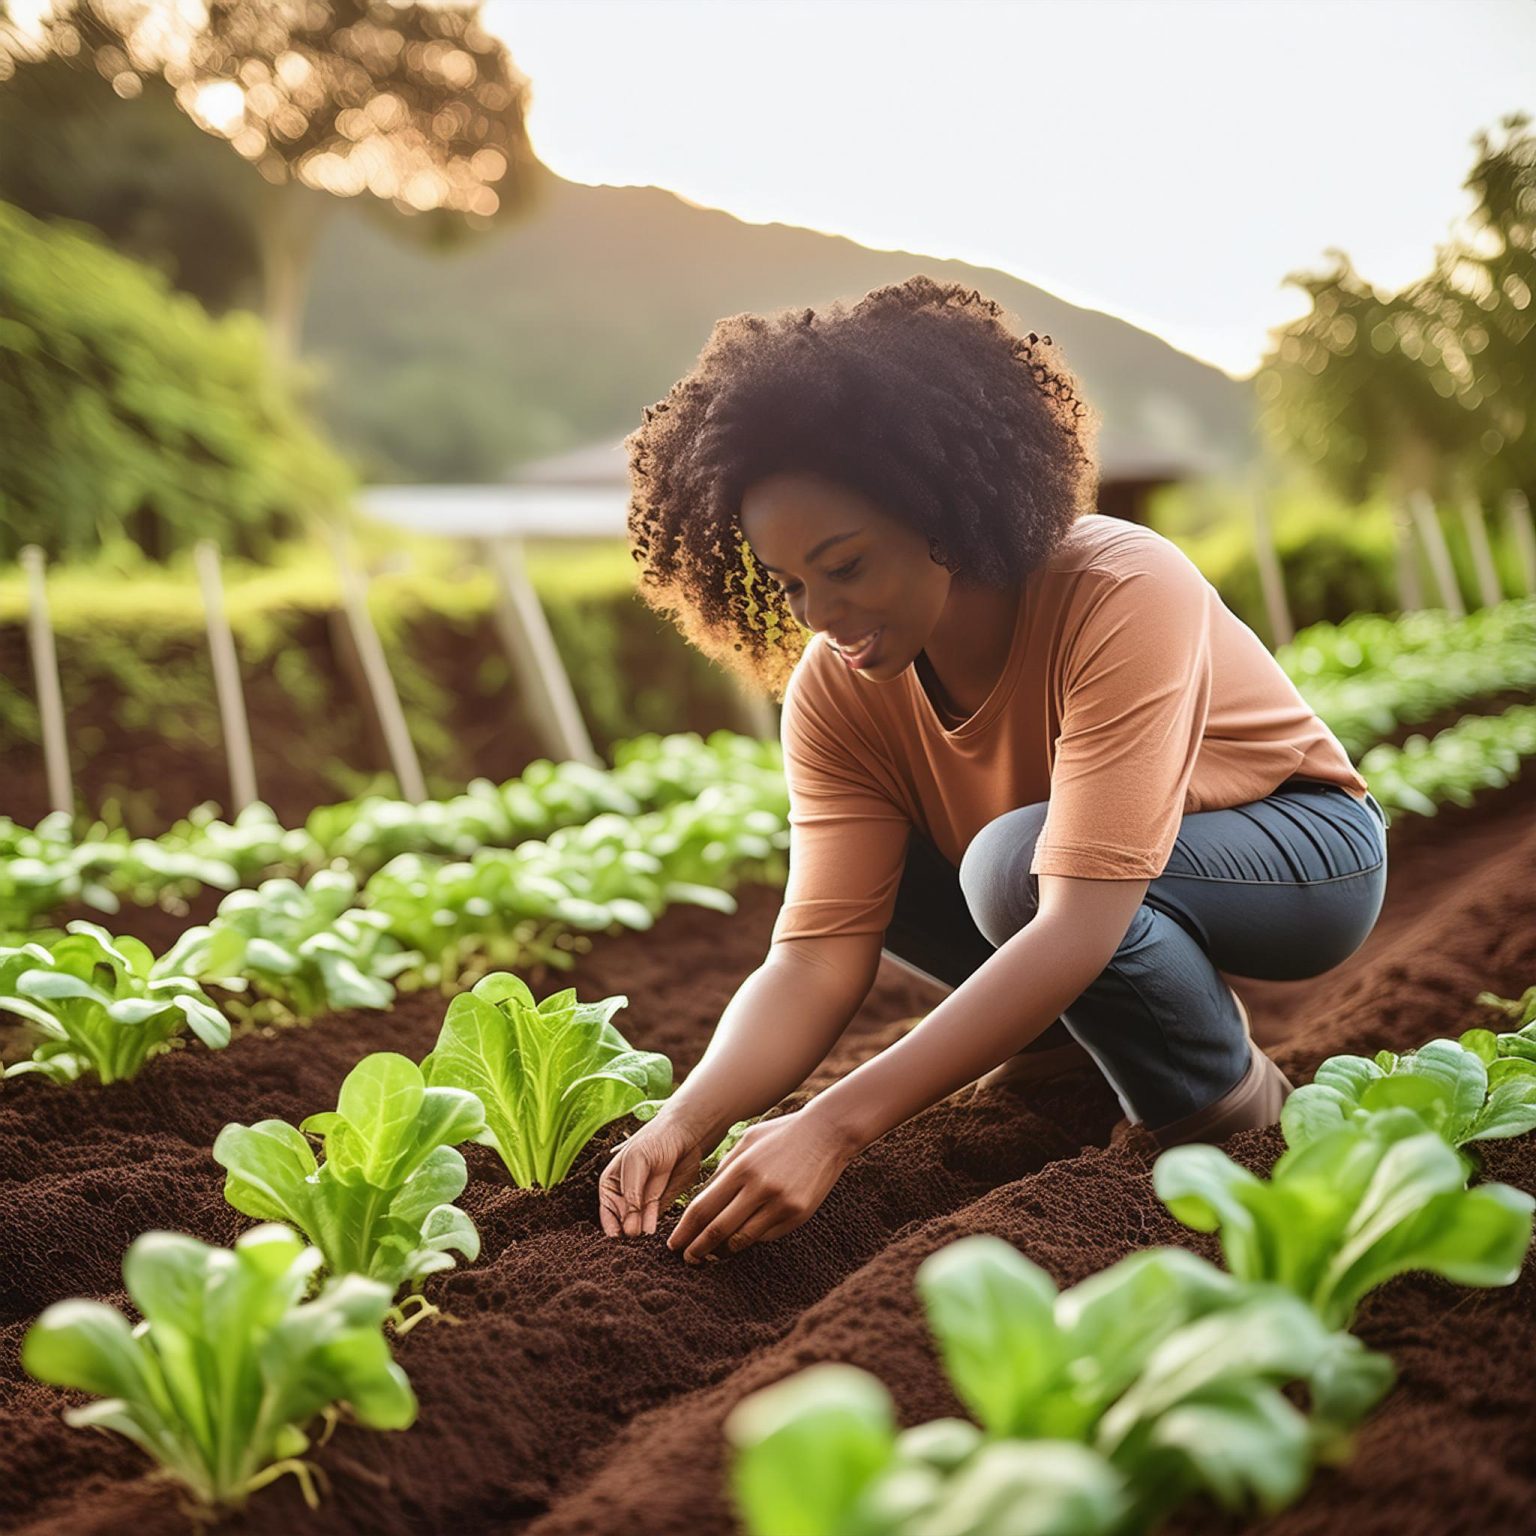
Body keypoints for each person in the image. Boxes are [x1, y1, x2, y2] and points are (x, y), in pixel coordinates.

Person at [598, 275, 1388, 1262]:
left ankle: (1231, 1111)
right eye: (791, 583)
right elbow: (814, 956)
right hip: (1065, 875)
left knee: (1015, 865)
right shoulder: (839, 689)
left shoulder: (1118, 586)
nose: (819, 615)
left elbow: (1076, 918)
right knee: (924, 874)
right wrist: (685, 1119)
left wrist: (833, 1125)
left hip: (1299, 852)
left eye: (845, 567)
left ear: (948, 512)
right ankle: (1074, 1054)